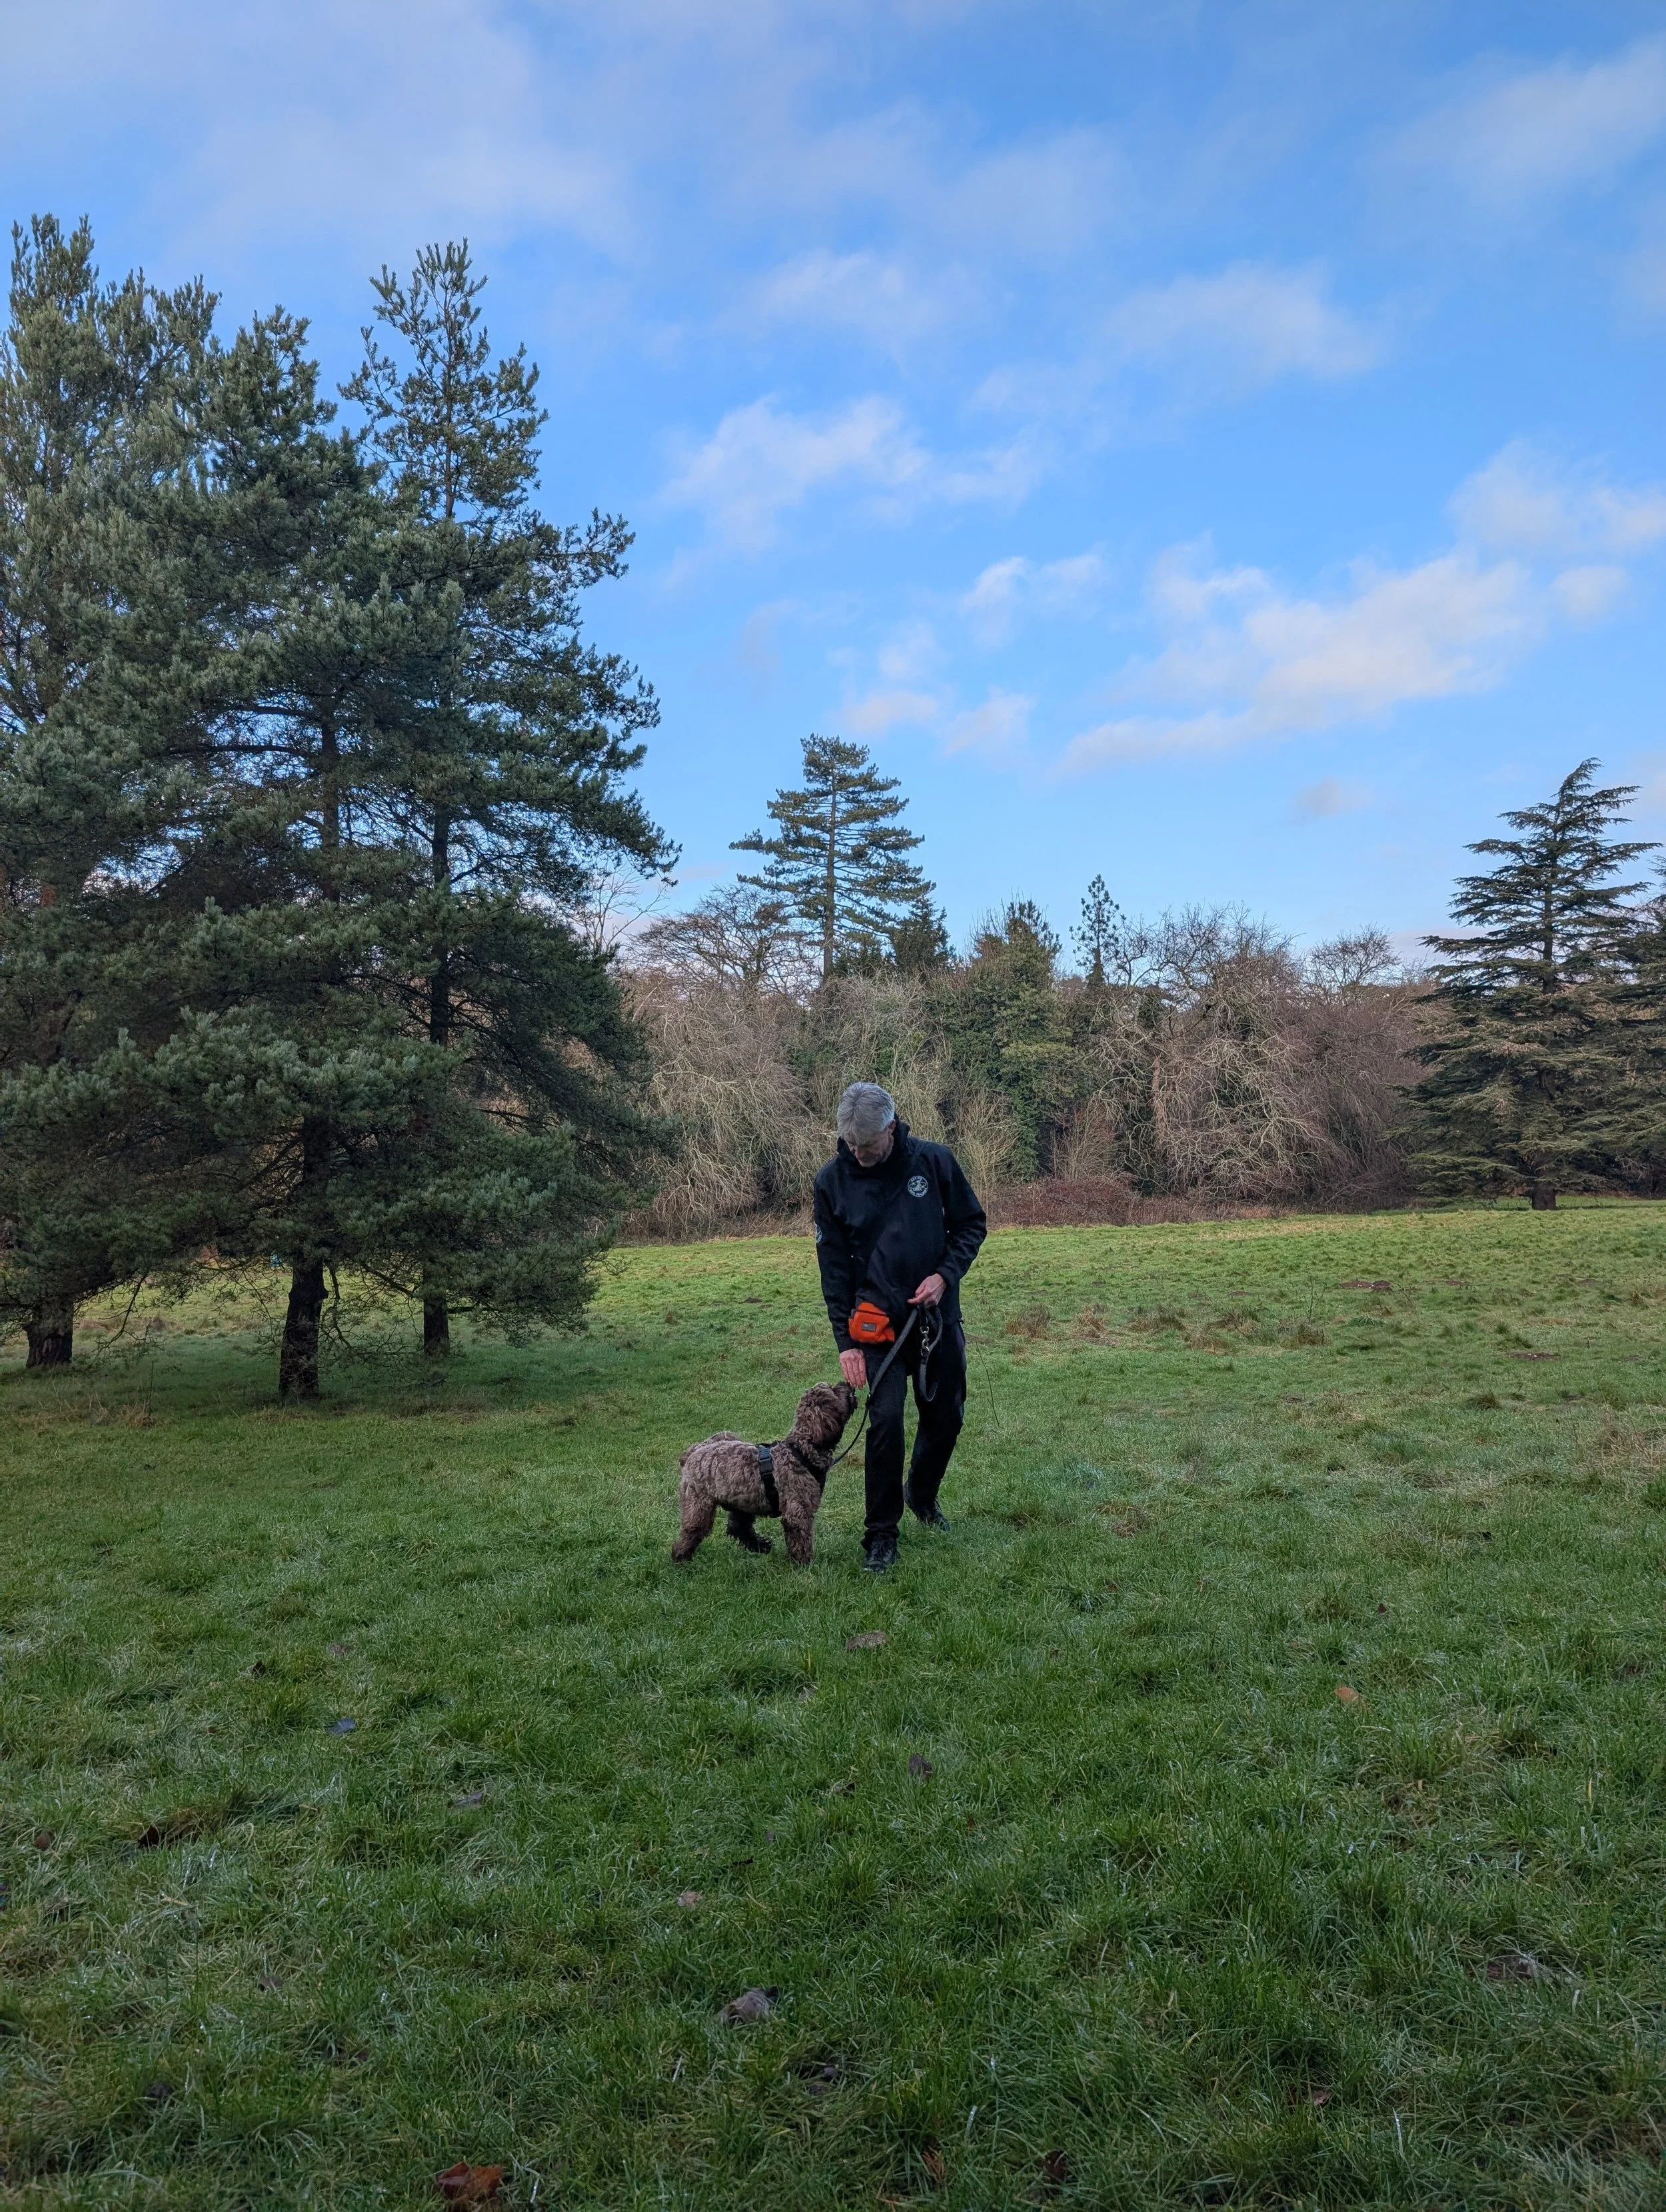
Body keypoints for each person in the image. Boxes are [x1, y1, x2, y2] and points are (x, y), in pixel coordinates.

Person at [812, 1081, 987, 1573]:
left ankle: (922, 1495)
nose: (858, 1154)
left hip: (935, 1319)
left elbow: (972, 1226)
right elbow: (833, 1270)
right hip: (876, 1328)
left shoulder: (934, 1163)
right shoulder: (831, 1182)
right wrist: (845, 1344)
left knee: (947, 1417)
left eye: (867, 1145)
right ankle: (881, 1537)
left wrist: (943, 1276)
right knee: (885, 1422)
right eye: (851, 1145)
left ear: (891, 1128)